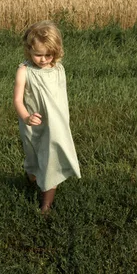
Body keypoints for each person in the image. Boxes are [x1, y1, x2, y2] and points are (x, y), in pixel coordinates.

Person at [13, 21, 81, 214]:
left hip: (56, 126)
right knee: (34, 161)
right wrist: (26, 117)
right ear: (29, 50)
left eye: (48, 55)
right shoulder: (24, 71)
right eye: (38, 55)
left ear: (56, 52)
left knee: (51, 161)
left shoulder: (58, 69)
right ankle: (32, 177)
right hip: (32, 125)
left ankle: (45, 206)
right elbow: (17, 100)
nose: (43, 60)